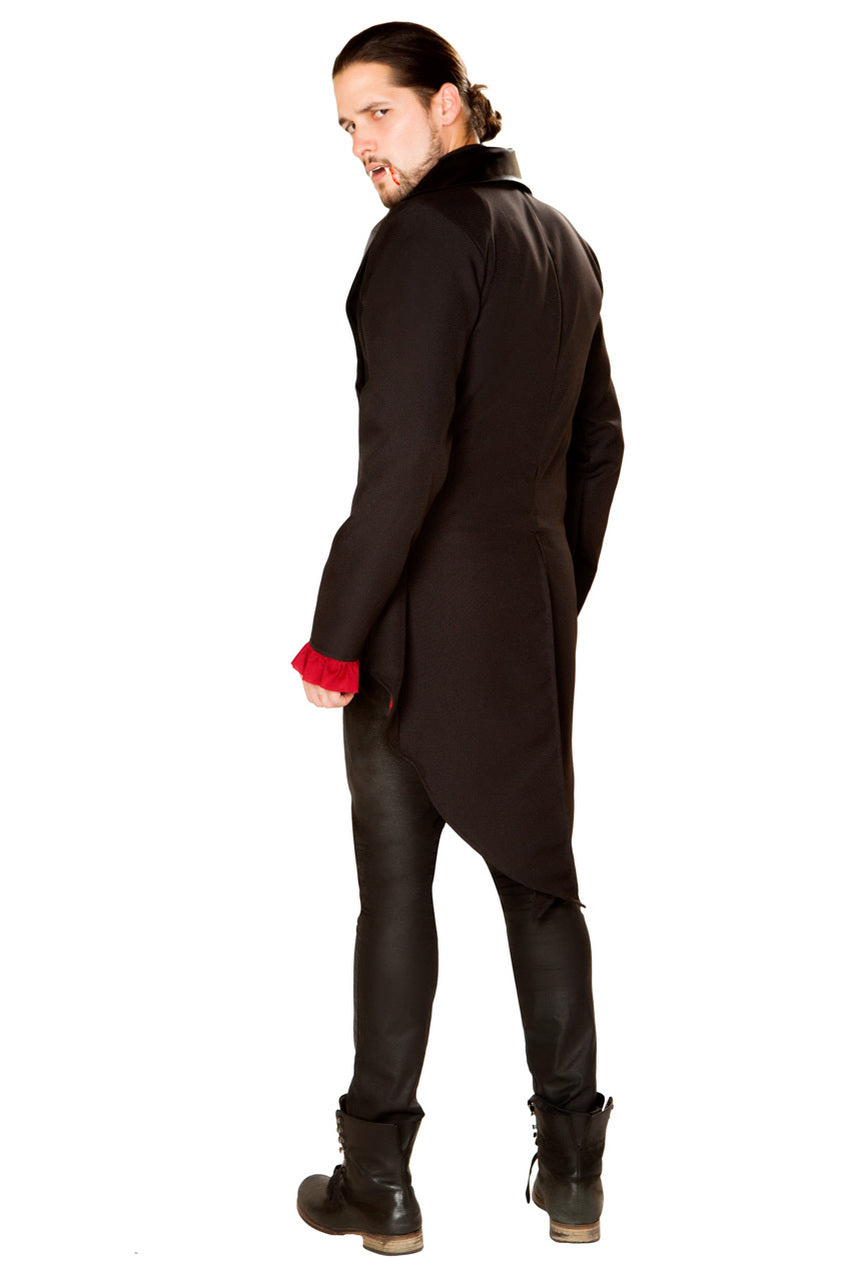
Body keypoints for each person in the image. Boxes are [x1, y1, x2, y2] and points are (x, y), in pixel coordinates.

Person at [293, 21, 623, 1255]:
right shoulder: (562, 241)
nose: (359, 146)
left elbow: (405, 462)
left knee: (395, 891)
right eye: (344, 127)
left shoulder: (421, 241)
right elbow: (599, 445)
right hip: (523, 614)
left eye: (376, 113)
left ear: (446, 103)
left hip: (416, 622)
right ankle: (573, 1173)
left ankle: (376, 1178)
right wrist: (548, 585)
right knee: (541, 883)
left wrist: (335, 635)